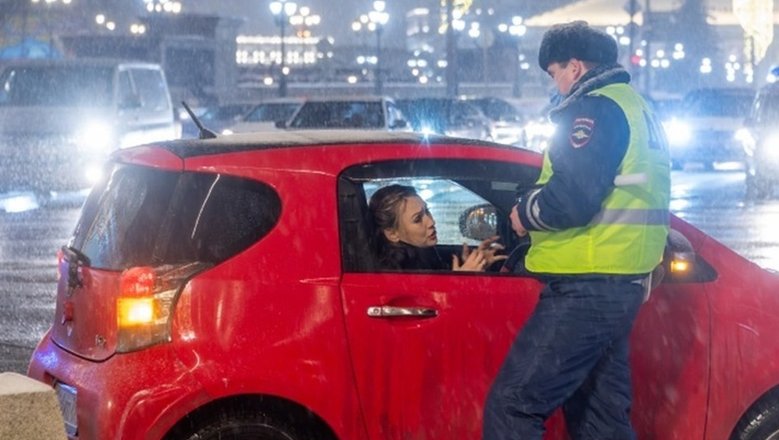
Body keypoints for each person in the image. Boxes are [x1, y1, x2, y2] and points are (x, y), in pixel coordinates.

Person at [483, 21, 670, 439]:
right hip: (620, 281)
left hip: (588, 283)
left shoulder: (594, 109)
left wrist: (523, 213)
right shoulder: (636, 106)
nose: (555, 84)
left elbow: (572, 198)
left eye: (554, 73)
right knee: (599, 420)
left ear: (575, 66)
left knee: (512, 407)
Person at [368, 184, 506, 271]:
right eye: (417, 219)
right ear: (392, 234)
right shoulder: (393, 274)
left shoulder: (422, 253)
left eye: (427, 211)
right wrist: (463, 279)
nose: (431, 221)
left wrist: (476, 263)